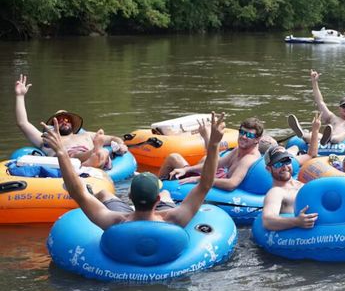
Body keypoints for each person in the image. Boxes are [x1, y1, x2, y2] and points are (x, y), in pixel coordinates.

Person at [41, 112, 226, 230]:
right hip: (159, 216)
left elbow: (77, 193)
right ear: (157, 199)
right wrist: (214, 144)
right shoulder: (175, 219)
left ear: (129, 196)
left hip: (129, 218)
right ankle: (164, 196)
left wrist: (60, 152)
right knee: (168, 192)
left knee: (104, 194)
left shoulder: (115, 222)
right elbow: (205, 184)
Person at [15, 74, 128, 170]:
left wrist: (120, 144)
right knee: (98, 152)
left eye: (67, 119)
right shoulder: (48, 139)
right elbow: (23, 123)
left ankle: (93, 157)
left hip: (90, 162)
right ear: (53, 125)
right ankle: (94, 152)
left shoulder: (86, 135)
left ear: (72, 124)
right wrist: (20, 96)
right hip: (66, 160)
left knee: (102, 153)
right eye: (59, 120)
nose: (64, 121)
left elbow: (113, 138)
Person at [158, 116, 264, 191]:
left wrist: (200, 179)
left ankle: (157, 189)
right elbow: (218, 163)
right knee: (202, 159)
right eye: (242, 132)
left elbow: (232, 184)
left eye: (249, 135)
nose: (243, 137)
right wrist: (186, 169)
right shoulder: (238, 149)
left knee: (174, 158)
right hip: (219, 177)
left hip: (221, 189)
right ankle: (158, 186)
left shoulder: (249, 159)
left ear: (257, 139)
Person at [287, 70, 345, 146]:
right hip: (326, 140)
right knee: (316, 135)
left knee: (344, 134)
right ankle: (302, 134)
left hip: (344, 140)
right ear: (339, 108)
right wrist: (314, 82)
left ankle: (330, 139)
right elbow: (320, 102)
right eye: (344, 106)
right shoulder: (332, 118)